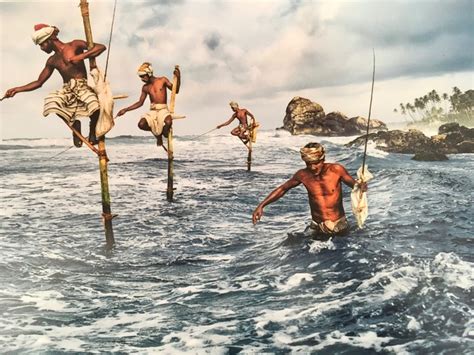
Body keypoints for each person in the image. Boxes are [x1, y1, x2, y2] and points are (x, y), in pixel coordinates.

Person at [4, 24, 106, 147]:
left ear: (50, 39)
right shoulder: (52, 60)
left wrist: (81, 56)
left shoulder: (74, 44)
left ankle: (92, 133)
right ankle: (75, 125)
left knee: (95, 106)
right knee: (51, 102)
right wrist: (16, 89)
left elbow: (101, 47)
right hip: (67, 89)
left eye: (42, 44)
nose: (41, 48)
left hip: (82, 86)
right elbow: (39, 82)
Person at [252, 142, 368, 237]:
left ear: (322, 159)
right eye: (308, 164)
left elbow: (355, 185)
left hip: (338, 226)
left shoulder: (336, 170)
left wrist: (361, 186)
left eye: (316, 163)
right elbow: (283, 189)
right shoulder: (302, 175)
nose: (312, 167)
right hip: (316, 226)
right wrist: (261, 205)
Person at [116, 62, 181, 146]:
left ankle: (163, 133)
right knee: (141, 124)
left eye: (143, 76)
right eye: (140, 76)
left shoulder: (162, 80)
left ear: (149, 73)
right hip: (153, 110)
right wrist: (125, 109)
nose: (142, 78)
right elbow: (140, 102)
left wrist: (178, 77)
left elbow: (176, 90)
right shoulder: (145, 87)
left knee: (168, 122)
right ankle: (158, 136)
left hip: (163, 109)